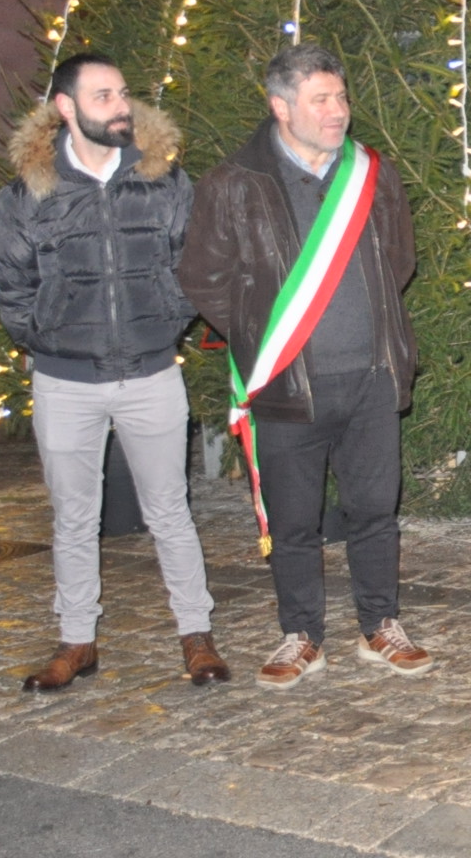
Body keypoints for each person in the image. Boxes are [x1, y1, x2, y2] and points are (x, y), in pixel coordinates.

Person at [180, 43, 433, 690]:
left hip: (371, 376)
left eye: (340, 96)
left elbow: (398, 260)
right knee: (294, 521)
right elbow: (204, 277)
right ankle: (301, 635)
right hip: (287, 383)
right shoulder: (234, 183)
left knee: (374, 510)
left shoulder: (371, 173)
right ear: (280, 107)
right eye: (320, 100)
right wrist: (261, 334)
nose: (338, 111)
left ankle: (381, 624)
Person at [0, 53, 224, 691]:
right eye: (103, 96)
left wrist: (165, 321)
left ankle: (196, 634)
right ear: (66, 108)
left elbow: (192, 265)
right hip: (65, 382)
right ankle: (77, 641)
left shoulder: (163, 181)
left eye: (122, 92)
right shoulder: (27, 195)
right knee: (73, 516)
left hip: (151, 374)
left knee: (170, 510)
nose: (121, 106)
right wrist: (49, 339)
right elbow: (11, 287)